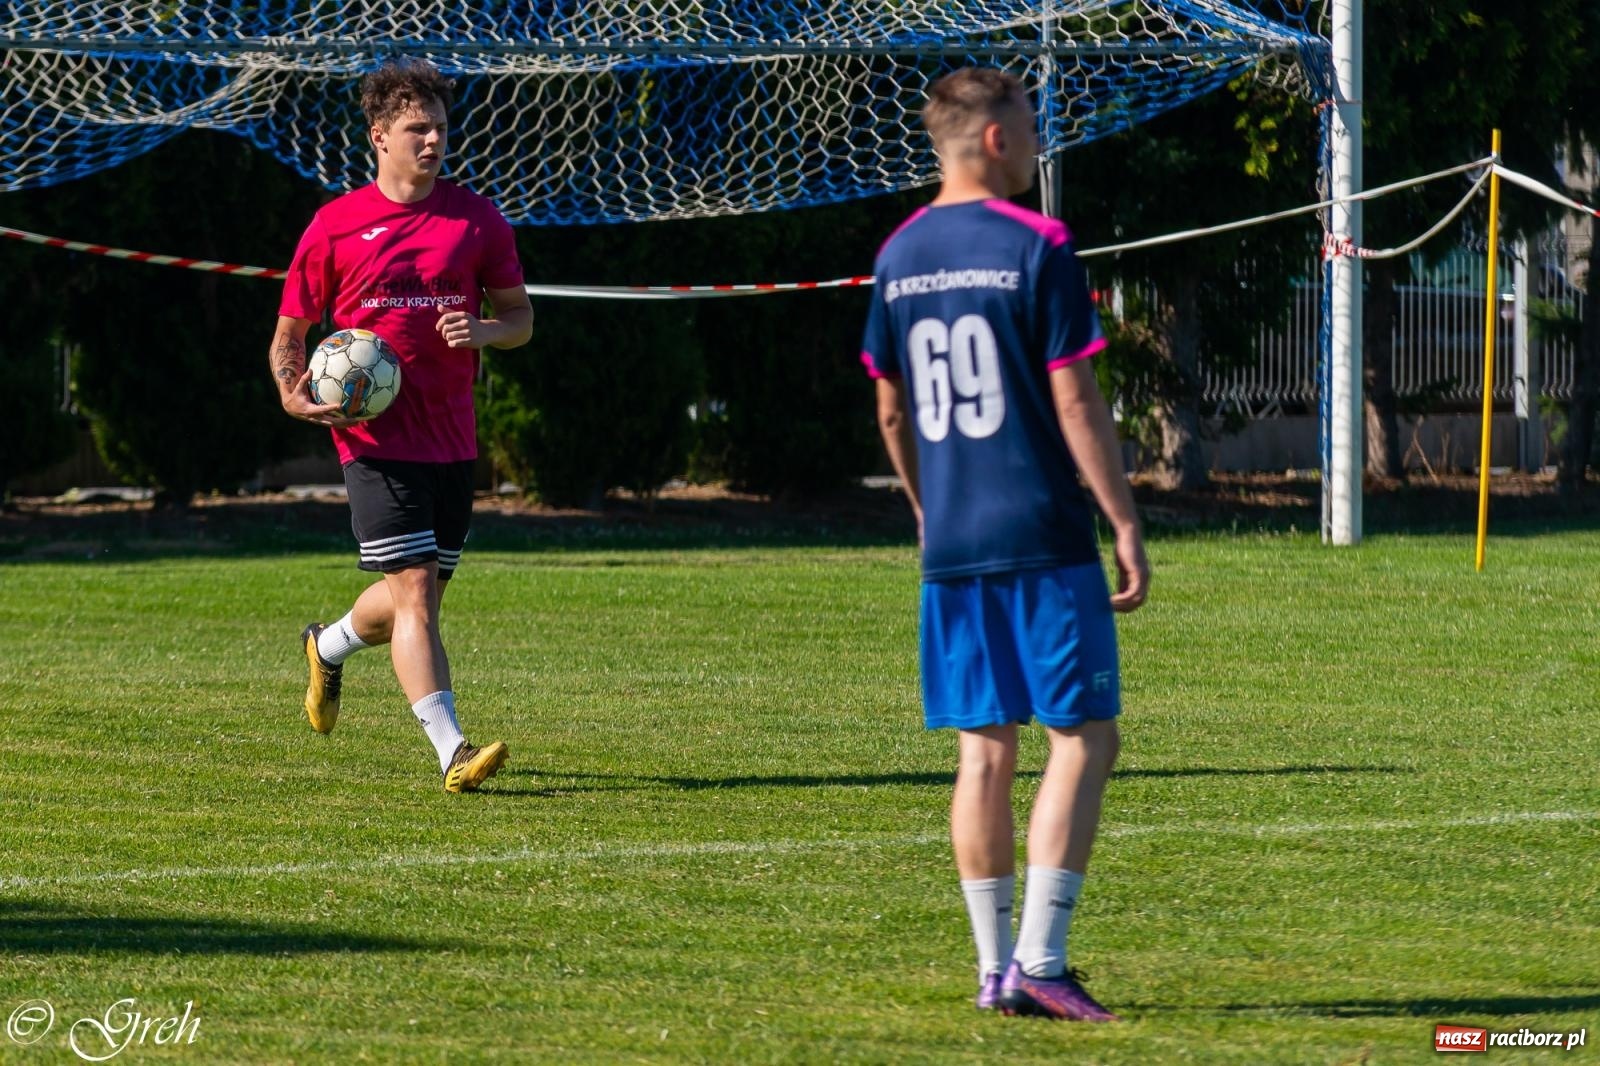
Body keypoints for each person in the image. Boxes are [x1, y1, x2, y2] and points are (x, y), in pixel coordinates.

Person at [860, 67, 1149, 1021]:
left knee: (983, 752)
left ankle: (993, 970)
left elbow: (891, 408)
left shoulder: (898, 255)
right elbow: (1074, 396)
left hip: (952, 547)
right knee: (1083, 736)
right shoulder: (1040, 244)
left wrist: (924, 508)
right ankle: (1042, 959)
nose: (1037, 143)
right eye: (1029, 127)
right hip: (1040, 531)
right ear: (993, 139)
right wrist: (1123, 516)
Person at [268, 58, 533, 793]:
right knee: (415, 591)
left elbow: (520, 320)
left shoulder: (476, 221)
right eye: (417, 128)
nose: (433, 140)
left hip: (451, 439)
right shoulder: (334, 228)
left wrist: (484, 333)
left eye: (441, 127)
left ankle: (327, 645)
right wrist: (294, 394)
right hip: (373, 443)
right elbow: (290, 335)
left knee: (414, 599)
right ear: (379, 135)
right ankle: (452, 751)